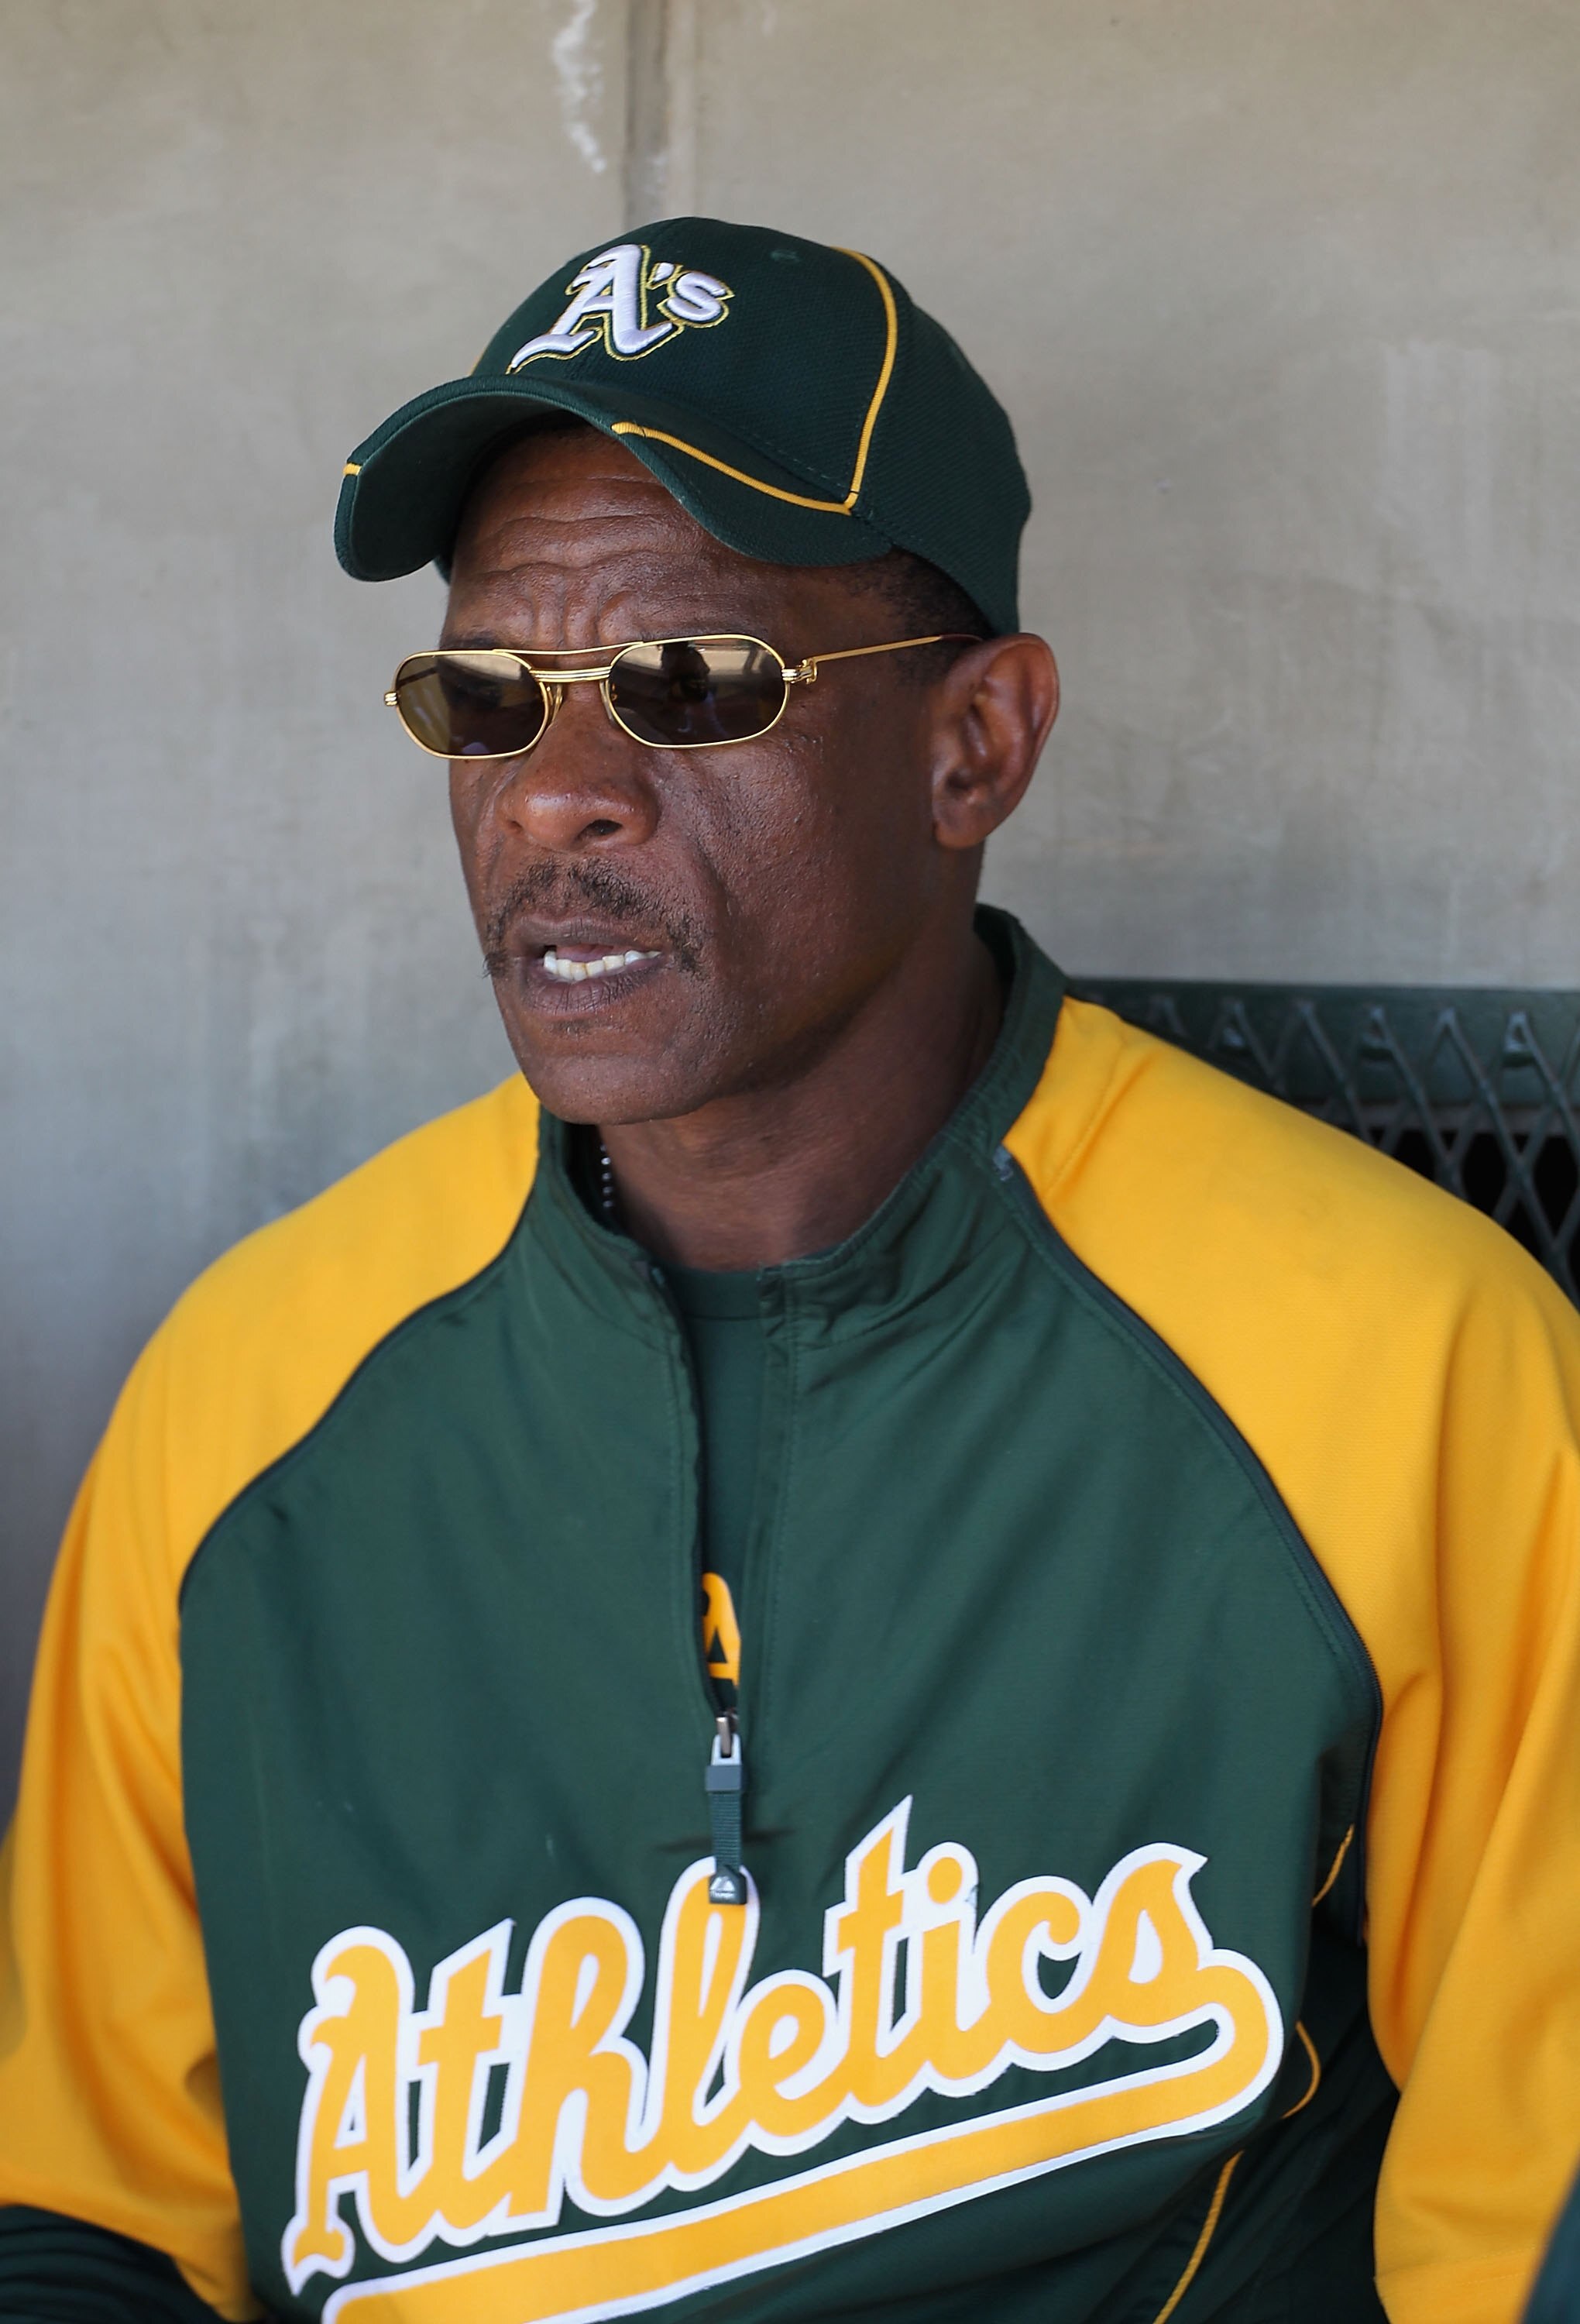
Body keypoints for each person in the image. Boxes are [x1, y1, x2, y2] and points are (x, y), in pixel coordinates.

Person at [0, 218, 1576, 2324]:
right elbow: (90, 2228)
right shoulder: (251, 1402)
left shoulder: (1410, 1358)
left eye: (686, 683)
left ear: (977, 748)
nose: (555, 794)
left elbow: (1539, 2237)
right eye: (489, 691)